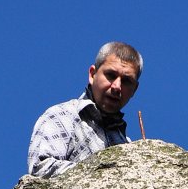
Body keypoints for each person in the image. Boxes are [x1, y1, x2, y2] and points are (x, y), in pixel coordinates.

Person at [27, 42, 143, 178]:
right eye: (111, 75)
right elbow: (40, 169)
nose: (117, 86)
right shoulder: (63, 115)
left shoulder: (127, 145)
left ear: (134, 90)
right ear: (92, 75)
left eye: (126, 81)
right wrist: (100, 176)